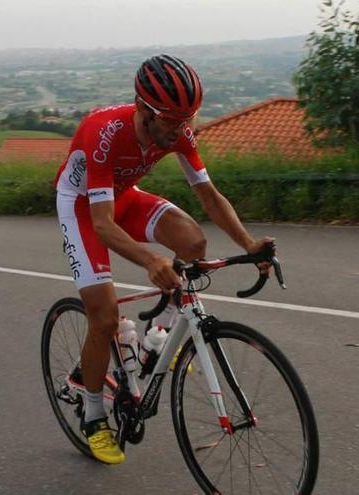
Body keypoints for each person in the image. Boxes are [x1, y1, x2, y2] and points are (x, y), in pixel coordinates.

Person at [54, 54, 272, 464]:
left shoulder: (179, 131)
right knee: (102, 317)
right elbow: (102, 224)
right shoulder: (104, 134)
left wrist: (248, 244)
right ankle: (94, 416)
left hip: (124, 197)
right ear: (143, 110)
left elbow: (208, 195)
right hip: (84, 209)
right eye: (171, 121)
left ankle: (159, 334)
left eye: (187, 119)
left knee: (192, 242)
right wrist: (151, 261)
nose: (180, 130)